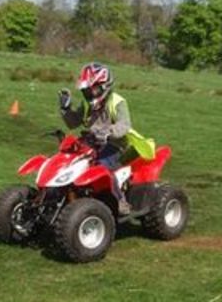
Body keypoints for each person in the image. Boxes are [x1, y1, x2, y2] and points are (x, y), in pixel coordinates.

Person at [59, 62, 155, 215]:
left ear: (104, 87)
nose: (89, 93)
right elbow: (73, 123)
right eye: (86, 90)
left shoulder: (117, 102)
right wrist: (65, 109)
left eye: (93, 89)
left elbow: (124, 125)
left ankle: (120, 201)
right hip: (91, 143)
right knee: (67, 160)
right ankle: (62, 195)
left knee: (102, 166)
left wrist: (109, 132)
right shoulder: (87, 104)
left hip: (115, 145)